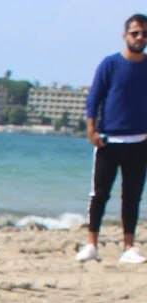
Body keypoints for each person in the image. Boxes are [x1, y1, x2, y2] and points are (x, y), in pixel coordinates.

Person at [77, 13, 147, 263]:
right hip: (108, 141)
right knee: (99, 194)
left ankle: (128, 247)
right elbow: (94, 98)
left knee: (132, 196)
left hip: (139, 142)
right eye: (135, 33)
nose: (140, 37)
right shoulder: (110, 64)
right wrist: (91, 130)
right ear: (125, 35)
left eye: (144, 34)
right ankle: (91, 245)